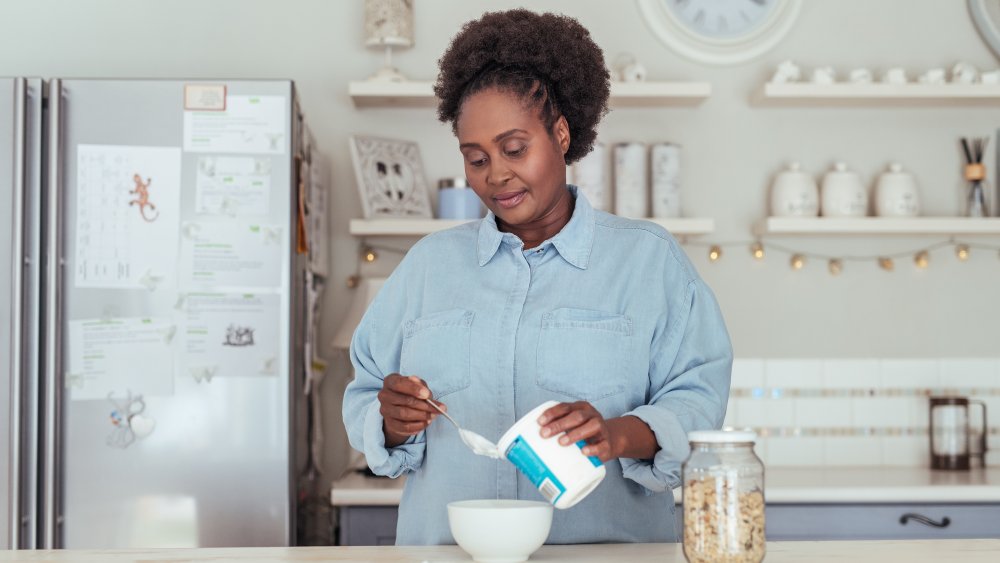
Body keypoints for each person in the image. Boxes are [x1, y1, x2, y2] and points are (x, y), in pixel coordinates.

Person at [342, 8, 732, 545]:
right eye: (475, 158)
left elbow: (698, 401)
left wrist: (616, 435)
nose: (496, 174)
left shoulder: (649, 262)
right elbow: (365, 391)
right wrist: (391, 418)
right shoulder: (429, 268)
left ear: (563, 134)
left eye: (515, 149)